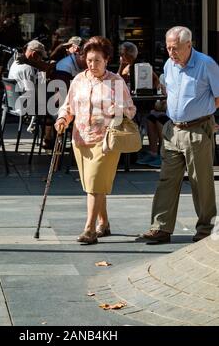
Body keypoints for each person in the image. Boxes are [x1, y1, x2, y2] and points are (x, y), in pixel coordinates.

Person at [141, 26, 219, 244]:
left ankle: (205, 229)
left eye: (175, 48)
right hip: (172, 129)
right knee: (167, 179)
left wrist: (206, 116)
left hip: (197, 129)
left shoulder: (206, 64)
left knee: (200, 182)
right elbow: (169, 91)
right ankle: (161, 228)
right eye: (167, 48)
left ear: (189, 45)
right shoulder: (169, 64)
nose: (171, 53)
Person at [55, 36, 136, 244]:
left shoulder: (116, 82)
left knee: (94, 185)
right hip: (80, 139)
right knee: (94, 185)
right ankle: (104, 223)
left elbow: (131, 110)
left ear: (107, 60)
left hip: (106, 140)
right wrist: (63, 118)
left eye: (97, 61)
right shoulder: (78, 80)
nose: (92, 65)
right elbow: (68, 106)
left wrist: (119, 110)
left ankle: (89, 230)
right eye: (89, 60)